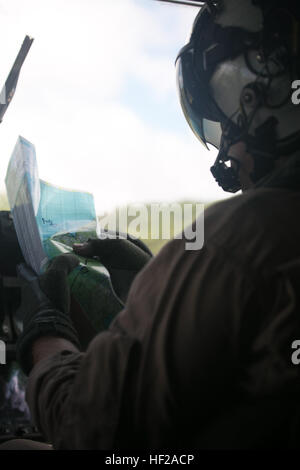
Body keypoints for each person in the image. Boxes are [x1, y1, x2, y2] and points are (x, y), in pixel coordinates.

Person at [5, 0, 300, 449]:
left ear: (253, 99)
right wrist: (153, 278)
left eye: (224, 129)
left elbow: (90, 429)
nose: (227, 154)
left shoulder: (242, 237)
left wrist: (46, 334)